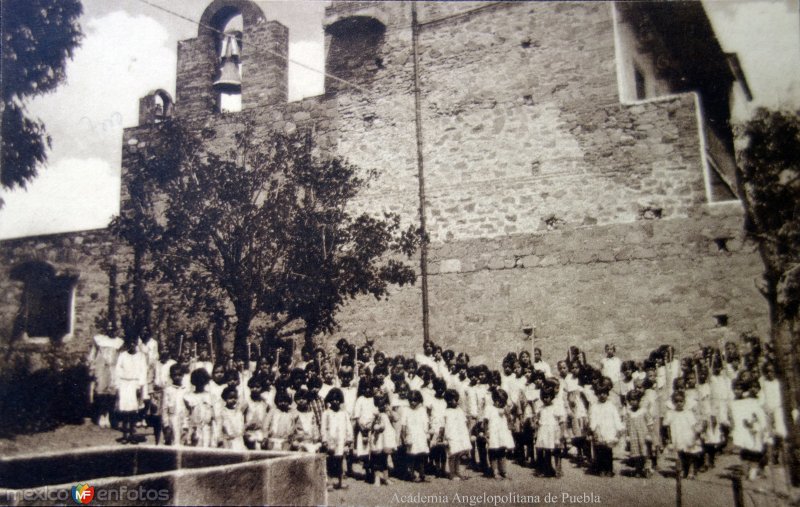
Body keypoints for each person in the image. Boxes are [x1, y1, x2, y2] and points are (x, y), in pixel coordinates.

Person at [114, 339, 147, 444]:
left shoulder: (141, 357)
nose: (132, 345)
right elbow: (118, 371)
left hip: (135, 385)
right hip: (124, 384)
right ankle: (125, 435)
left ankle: (132, 434)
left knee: (133, 411)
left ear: (137, 344)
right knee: (124, 412)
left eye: (135, 343)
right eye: (130, 343)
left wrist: (139, 387)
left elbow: (143, 372)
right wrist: (119, 385)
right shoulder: (123, 355)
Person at [664, 391, 703, 479]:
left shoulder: (688, 413)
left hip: (688, 437)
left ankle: (691, 471)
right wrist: (669, 439)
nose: (679, 403)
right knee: (680, 455)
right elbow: (667, 427)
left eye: (681, 401)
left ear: (684, 402)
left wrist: (696, 436)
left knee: (690, 455)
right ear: (673, 402)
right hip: (678, 437)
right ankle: (682, 471)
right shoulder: (670, 414)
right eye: (676, 401)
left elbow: (694, 425)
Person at [589, 379, 623, 476]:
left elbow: (616, 417)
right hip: (600, 430)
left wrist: (618, 428)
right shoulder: (595, 406)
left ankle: (609, 469)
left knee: (608, 452)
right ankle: (601, 469)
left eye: (604, 393)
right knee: (600, 451)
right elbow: (593, 418)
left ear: (607, 394)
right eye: (600, 393)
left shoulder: (611, 406)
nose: (602, 395)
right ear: (597, 394)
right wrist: (593, 429)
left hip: (609, 430)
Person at [322, 388, 352, 490]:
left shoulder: (344, 413)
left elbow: (348, 426)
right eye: (333, 399)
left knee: (340, 462)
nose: (335, 402)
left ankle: (340, 481)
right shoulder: (326, 413)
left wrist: (349, 440)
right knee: (330, 462)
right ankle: (329, 482)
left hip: (341, 441)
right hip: (330, 441)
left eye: (338, 399)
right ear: (329, 400)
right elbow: (323, 428)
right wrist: (325, 440)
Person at [534, 387, 566, 477]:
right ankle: (547, 469)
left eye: (547, 397)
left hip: (554, 431)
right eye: (543, 397)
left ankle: (558, 469)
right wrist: (536, 425)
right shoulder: (541, 408)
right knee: (545, 450)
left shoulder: (556, 407)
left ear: (552, 397)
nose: (545, 399)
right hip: (543, 431)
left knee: (556, 451)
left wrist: (562, 433)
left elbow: (562, 421)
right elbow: (537, 420)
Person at [401, 390, 430, 482]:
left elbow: (426, 424)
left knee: (421, 456)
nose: (413, 402)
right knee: (412, 456)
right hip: (411, 436)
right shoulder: (406, 410)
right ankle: (412, 474)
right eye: (411, 400)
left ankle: (422, 473)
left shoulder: (422, 410)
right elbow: (403, 425)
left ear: (419, 400)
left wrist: (427, 434)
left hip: (421, 436)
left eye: (415, 400)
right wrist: (404, 437)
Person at [485, 388, 514, 479]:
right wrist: (486, 432)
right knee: (493, 452)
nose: (502, 404)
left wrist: (507, 413)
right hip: (493, 433)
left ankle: (503, 471)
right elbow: (486, 421)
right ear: (496, 400)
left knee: (502, 452)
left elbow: (509, 420)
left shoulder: (504, 409)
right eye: (500, 402)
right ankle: (495, 471)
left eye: (503, 402)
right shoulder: (489, 408)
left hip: (502, 433)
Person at [183, 368, 215, 447]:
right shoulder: (189, 396)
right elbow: (186, 415)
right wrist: (186, 429)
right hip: (194, 428)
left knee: (207, 448)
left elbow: (213, 416)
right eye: (198, 382)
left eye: (203, 382)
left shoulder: (210, 396)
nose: (200, 384)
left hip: (207, 428)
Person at [625, 390, 654, 478]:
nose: (632, 402)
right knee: (636, 454)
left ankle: (648, 469)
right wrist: (627, 435)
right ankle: (638, 469)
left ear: (639, 400)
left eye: (635, 400)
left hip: (643, 435)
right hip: (633, 436)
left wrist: (649, 434)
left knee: (645, 453)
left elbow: (650, 423)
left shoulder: (644, 411)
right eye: (630, 400)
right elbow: (627, 425)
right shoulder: (628, 412)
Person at [370, 392, 396, 485]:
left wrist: (389, 410)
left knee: (385, 456)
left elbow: (396, 419)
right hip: (377, 437)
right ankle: (377, 477)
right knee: (377, 457)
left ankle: (386, 477)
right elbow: (372, 425)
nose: (382, 404)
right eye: (379, 401)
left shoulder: (387, 413)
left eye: (384, 401)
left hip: (386, 436)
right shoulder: (375, 412)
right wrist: (376, 422)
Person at [162, 363, 187, 446]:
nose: (177, 377)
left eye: (179, 375)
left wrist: (186, 424)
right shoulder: (168, 390)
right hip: (172, 420)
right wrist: (166, 425)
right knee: (173, 443)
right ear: (171, 376)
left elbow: (188, 409)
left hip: (183, 419)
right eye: (174, 375)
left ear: (183, 375)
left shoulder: (185, 390)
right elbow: (165, 408)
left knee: (183, 442)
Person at [220, 386, 245, 450]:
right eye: (230, 398)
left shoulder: (238, 412)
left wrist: (239, 434)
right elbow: (226, 427)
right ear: (225, 398)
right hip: (228, 441)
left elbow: (241, 427)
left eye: (235, 398)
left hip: (238, 440)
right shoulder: (223, 412)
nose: (233, 400)